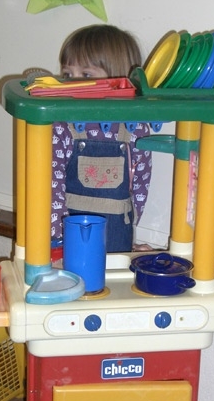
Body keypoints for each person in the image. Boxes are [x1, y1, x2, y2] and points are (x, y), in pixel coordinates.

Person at [50, 24, 152, 253]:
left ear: (119, 80)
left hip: (117, 239)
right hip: (67, 241)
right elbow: (51, 185)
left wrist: (129, 235)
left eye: (86, 75)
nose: (73, 83)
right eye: (67, 74)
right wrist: (57, 238)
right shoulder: (63, 126)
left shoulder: (135, 128)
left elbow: (140, 186)